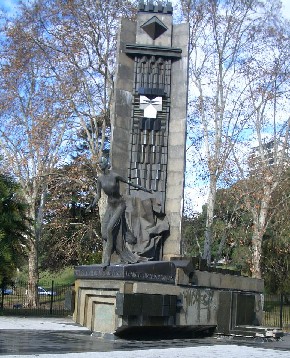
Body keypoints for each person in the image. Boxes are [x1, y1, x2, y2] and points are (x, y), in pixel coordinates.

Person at [87, 157, 151, 267]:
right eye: (99, 164)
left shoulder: (115, 176)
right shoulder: (100, 179)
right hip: (110, 206)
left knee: (110, 228)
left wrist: (144, 189)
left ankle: (107, 259)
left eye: (101, 163)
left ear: (106, 164)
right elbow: (98, 195)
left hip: (120, 205)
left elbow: (130, 183)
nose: (100, 165)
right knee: (104, 233)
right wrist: (92, 204)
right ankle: (121, 249)